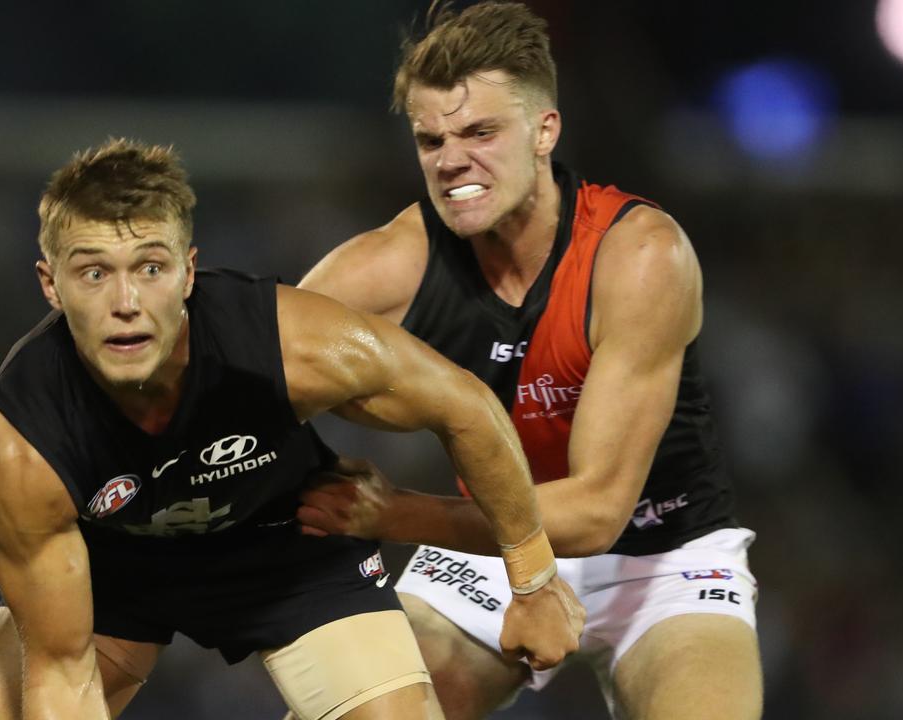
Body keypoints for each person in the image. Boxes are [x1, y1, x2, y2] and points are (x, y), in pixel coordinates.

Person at [0, 138, 584, 720]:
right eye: (94, 272)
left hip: (287, 547)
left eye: (151, 268)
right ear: (52, 284)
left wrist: (532, 580)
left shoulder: (294, 346)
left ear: (190, 272)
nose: (126, 303)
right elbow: (58, 673)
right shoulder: (23, 439)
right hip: (115, 570)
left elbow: (467, 407)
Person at [295, 3, 761, 719]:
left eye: (481, 132)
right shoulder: (394, 261)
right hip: (484, 554)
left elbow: (598, 509)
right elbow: (244, 365)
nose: (452, 161)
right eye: (431, 139)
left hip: (662, 558)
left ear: (545, 130)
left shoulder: (638, 256)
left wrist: (392, 513)